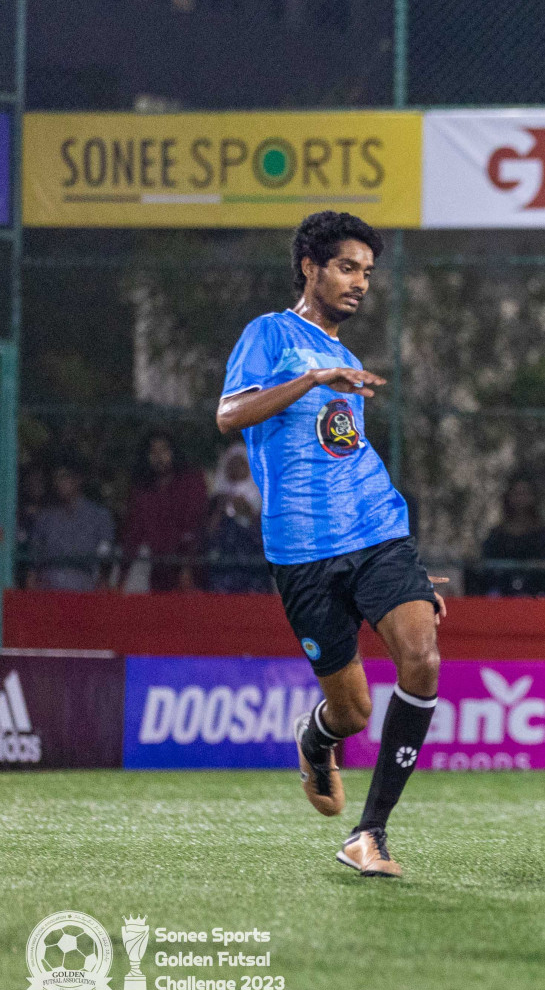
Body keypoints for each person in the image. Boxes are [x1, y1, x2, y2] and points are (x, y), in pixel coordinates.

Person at [217, 211, 446, 879]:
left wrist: (411, 579)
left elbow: (343, 453)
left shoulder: (346, 360)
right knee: (352, 711)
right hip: (302, 552)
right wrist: (312, 381)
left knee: (423, 659)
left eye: (368, 273)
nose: (360, 284)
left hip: (375, 531)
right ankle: (318, 738)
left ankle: (368, 833)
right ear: (310, 268)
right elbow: (229, 415)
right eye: (348, 267)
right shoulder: (271, 335)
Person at [119, 430, 208, 593]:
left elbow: (195, 526)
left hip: (187, 567)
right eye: (153, 451)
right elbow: (133, 534)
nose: (159, 456)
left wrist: (186, 566)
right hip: (152, 568)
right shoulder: (141, 489)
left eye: (164, 450)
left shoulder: (191, 483)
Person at [26, 461, 115, 591]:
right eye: (56, 478)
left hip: (84, 592)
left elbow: (105, 558)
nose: (58, 483)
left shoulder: (99, 517)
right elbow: (34, 557)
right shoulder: (45, 517)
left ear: (77, 480)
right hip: (47, 592)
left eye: (63, 477)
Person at [479, 472, 545, 597]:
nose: (521, 499)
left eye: (525, 494)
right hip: (503, 592)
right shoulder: (498, 532)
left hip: (535, 592)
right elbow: (488, 562)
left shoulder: (542, 531)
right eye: (516, 494)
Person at [207, 443, 268, 594]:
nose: (236, 469)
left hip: (255, 569)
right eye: (231, 465)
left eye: (240, 464)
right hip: (224, 570)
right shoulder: (217, 499)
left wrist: (248, 511)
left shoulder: (264, 497)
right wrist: (221, 507)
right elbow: (209, 532)